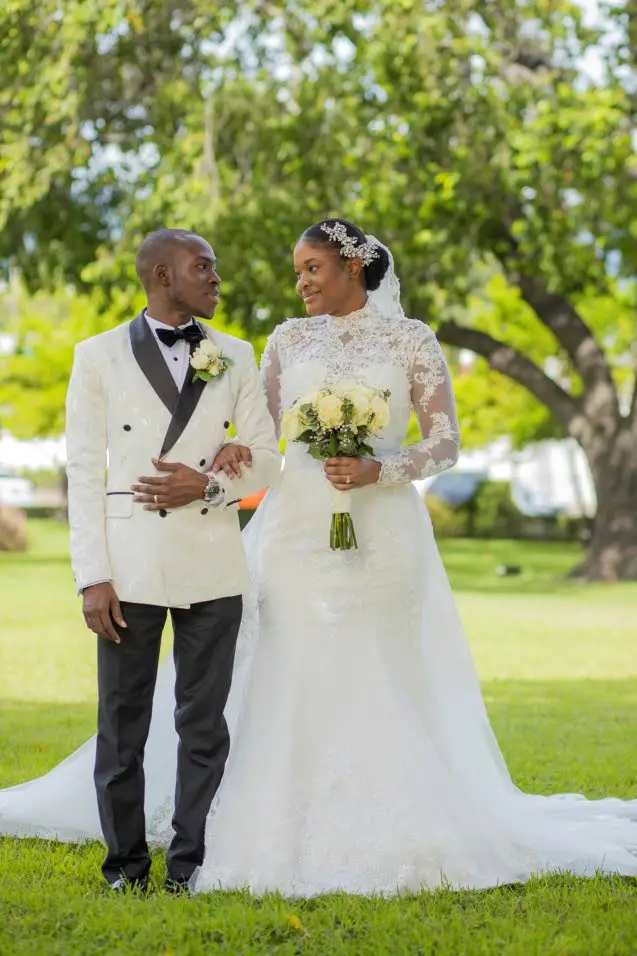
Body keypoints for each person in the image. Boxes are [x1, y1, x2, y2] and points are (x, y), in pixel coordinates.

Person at [1, 219, 636, 896]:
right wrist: (232, 454)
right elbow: (259, 437)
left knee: (378, 664)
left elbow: (445, 441)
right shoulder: (283, 341)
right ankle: (257, 819)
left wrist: (380, 469)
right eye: (297, 270)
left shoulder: (412, 340)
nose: (301, 282)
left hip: (383, 531)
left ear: (352, 266)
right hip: (295, 531)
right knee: (288, 665)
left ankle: (393, 816)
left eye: (312, 268)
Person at [54, 228, 279, 892]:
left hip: (213, 562)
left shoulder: (235, 354)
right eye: (202, 267)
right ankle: (125, 867)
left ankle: (191, 863)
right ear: (161, 275)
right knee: (122, 726)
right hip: (128, 566)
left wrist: (207, 485)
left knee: (203, 726)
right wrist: (92, 577)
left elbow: (268, 459)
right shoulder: (95, 356)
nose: (216, 279)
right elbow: (84, 474)